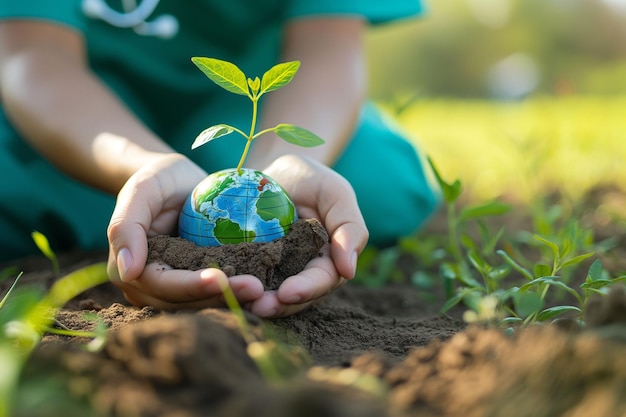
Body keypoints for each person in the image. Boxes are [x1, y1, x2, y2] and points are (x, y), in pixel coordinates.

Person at [0, 1, 440, 317]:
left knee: (379, 185)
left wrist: (285, 162)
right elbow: (32, 53)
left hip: (260, 99)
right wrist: (142, 166)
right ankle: (132, 202)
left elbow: (327, 46)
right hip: (83, 106)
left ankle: (124, 214)